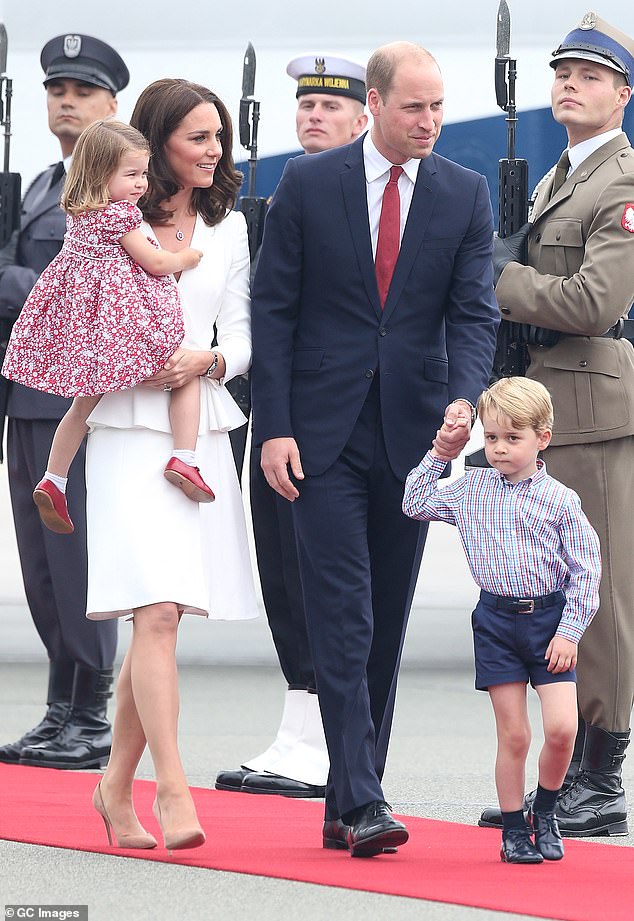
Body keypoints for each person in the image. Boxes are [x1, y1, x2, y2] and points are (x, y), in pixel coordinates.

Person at [250, 41, 499, 856]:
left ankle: (350, 799)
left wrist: (465, 398)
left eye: (437, 106)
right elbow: (274, 312)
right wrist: (274, 425)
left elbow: (472, 314)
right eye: (414, 107)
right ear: (377, 103)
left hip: (415, 433)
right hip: (319, 435)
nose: (429, 122)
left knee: (386, 617)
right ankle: (361, 795)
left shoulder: (464, 193)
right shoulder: (308, 184)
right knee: (343, 613)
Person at [82, 77, 258, 852]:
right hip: (125, 423)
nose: (213, 151)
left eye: (218, 137)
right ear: (156, 145)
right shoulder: (110, 220)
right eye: (197, 137)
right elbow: (76, 316)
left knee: (164, 617)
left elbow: (243, 332)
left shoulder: (230, 226)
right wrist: (135, 358)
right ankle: (172, 787)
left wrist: (210, 357)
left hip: (200, 425)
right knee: (152, 612)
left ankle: (113, 787)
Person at [479, 12, 634, 838]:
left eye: (590, 75)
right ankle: (565, 772)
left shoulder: (622, 182)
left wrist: (494, 276)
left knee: (596, 595)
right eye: (562, 73)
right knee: (542, 589)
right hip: (542, 407)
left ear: (622, 93)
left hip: (591, 410)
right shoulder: (558, 177)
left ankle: (602, 777)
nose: (569, 84)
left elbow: (595, 303)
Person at [216, 53, 368, 800]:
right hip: (275, 413)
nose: (314, 114)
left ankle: (330, 744)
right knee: (281, 568)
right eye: (306, 104)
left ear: (364, 117)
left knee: (325, 579)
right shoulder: (272, 204)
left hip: (338, 422)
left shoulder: (372, 201)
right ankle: (301, 728)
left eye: (331, 106)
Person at [403, 377, 601, 863]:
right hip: (496, 622)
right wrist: (441, 450)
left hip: (550, 623)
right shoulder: (471, 488)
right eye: (491, 438)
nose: (499, 449)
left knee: (561, 730)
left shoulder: (560, 500)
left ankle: (546, 811)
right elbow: (413, 502)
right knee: (514, 734)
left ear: (542, 439)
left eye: (513, 439)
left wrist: (569, 631)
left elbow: (586, 570)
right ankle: (513, 828)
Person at [0, 34, 129, 769]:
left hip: (77, 405)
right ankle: (60, 711)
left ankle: (92, 717)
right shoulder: (45, 183)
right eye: (57, 90)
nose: (67, 101)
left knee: (77, 562)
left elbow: (82, 287)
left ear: (113, 104)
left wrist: (8, 282)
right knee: (41, 567)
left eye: (83, 91)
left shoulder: (115, 184)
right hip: (28, 396)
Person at [2, 119, 210, 536]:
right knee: (183, 369)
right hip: (123, 326)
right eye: (131, 174)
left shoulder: (79, 215)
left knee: (82, 406)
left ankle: (54, 479)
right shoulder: (121, 217)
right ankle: (184, 457)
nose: (141, 184)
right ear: (100, 174)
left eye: (144, 173)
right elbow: (155, 262)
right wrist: (187, 257)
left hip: (91, 331)